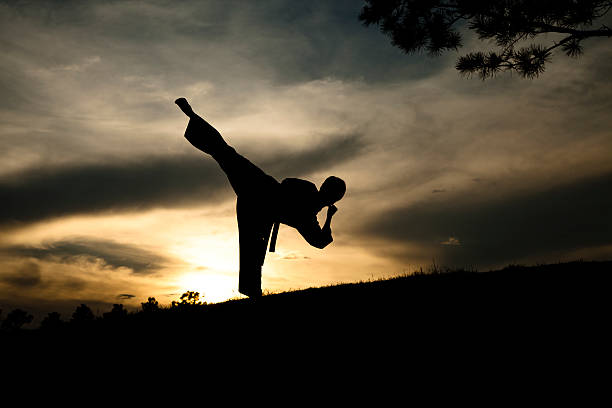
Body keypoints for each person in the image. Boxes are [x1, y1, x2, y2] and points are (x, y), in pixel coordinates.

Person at [175, 98, 346, 297]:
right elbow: (288, 183)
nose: (324, 188)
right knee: (226, 154)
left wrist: (328, 215)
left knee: (252, 254)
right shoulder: (308, 200)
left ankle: (253, 292)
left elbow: (320, 241)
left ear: (331, 196)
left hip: (259, 210)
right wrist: (322, 212)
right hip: (261, 187)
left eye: (328, 189)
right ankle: (192, 116)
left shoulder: (308, 217)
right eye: (326, 185)